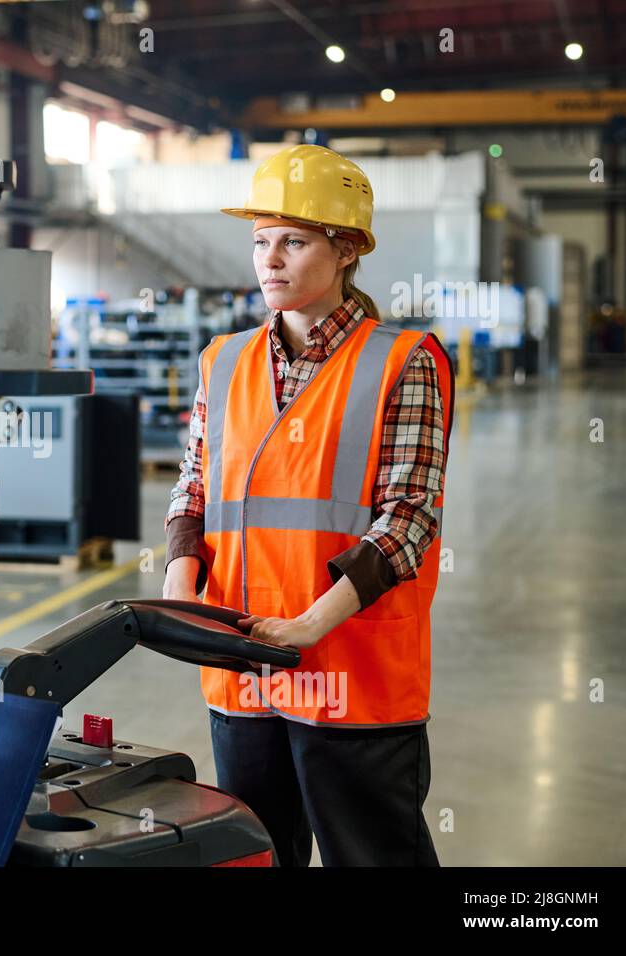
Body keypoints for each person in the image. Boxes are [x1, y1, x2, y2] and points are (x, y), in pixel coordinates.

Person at [162, 144, 455, 866]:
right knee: (259, 855)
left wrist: (308, 625)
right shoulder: (221, 360)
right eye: (261, 242)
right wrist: (179, 581)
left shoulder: (404, 358)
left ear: (348, 248)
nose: (271, 260)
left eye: (294, 241)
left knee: (373, 856)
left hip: (352, 671)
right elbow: (194, 485)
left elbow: (408, 518)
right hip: (241, 666)